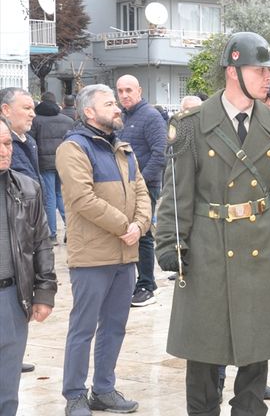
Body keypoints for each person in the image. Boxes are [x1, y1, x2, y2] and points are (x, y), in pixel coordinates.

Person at [155, 32, 270, 414]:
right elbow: (177, 193)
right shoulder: (190, 125)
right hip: (207, 250)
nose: (268, 78)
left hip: (260, 250)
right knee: (203, 354)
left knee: (255, 356)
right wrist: (170, 242)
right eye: (260, 70)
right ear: (233, 70)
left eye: (269, 71)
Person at [58, 84, 151, 415]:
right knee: (83, 328)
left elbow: (142, 192)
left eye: (116, 102)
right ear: (88, 112)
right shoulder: (73, 148)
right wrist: (124, 226)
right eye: (109, 103)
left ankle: (104, 390)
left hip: (125, 256)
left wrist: (140, 225)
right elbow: (82, 199)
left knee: (114, 326)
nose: (117, 107)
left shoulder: (124, 149)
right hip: (92, 257)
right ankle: (74, 395)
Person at [0, 121, 57, 415]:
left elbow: (41, 244)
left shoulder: (27, 188)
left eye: (8, 143)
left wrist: (45, 291)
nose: (4, 151)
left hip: (10, 299)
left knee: (7, 393)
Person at [116, 75, 167, 308]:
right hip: (123, 188)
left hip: (146, 186)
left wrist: (140, 184)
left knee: (144, 234)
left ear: (139, 90)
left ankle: (147, 284)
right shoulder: (121, 118)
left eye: (129, 90)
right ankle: (131, 283)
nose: (124, 95)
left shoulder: (151, 117)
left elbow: (159, 153)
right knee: (127, 233)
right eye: (120, 91)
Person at [30, 92, 75, 243]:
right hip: (63, 161)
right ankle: (71, 229)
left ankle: (52, 234)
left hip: (44, 163)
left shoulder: (36, 121)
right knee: (60, 195)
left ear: (42, 101)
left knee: (49, 198)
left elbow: (31, 142)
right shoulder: (67, 120)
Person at [0, 88, 39, 183]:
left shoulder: (29, 140)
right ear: (6, 110)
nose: (33, 114)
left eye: (33, 109)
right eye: (27, 108)